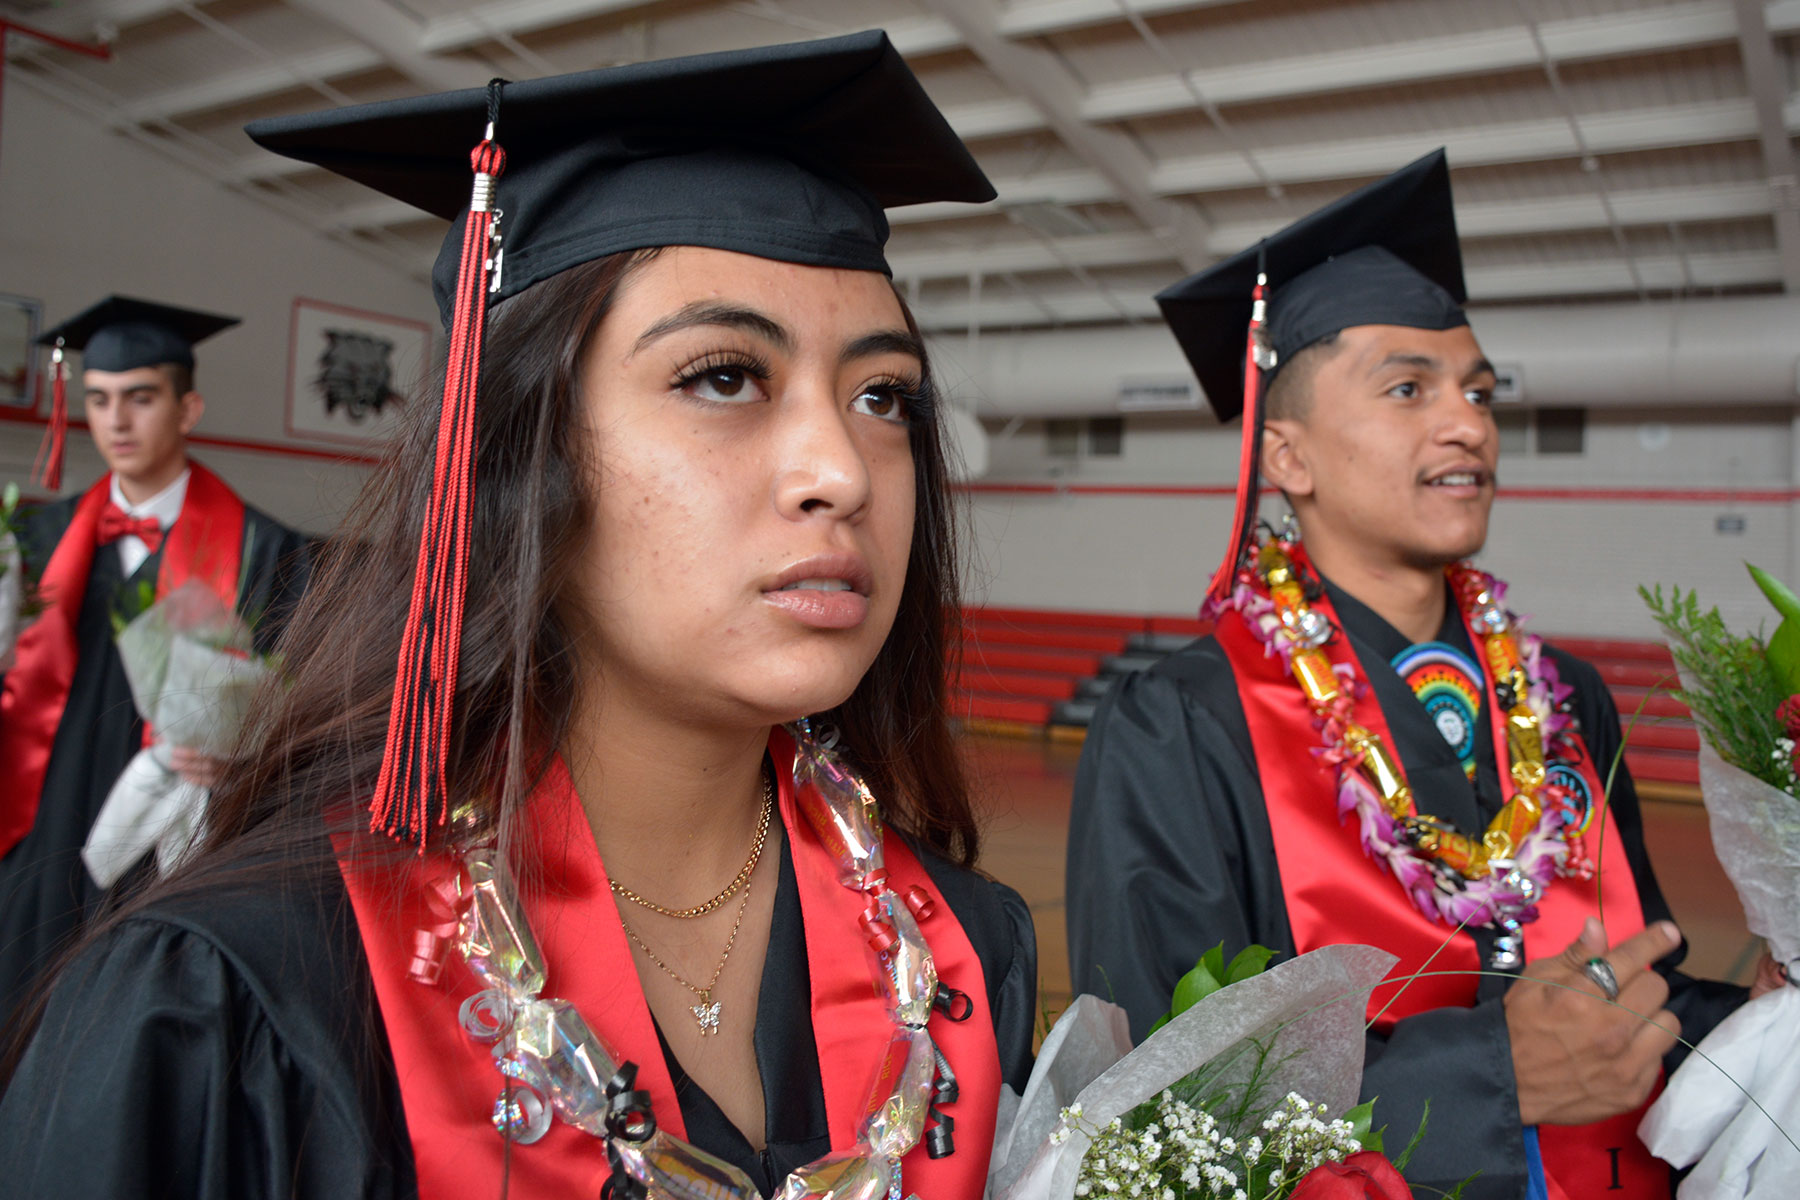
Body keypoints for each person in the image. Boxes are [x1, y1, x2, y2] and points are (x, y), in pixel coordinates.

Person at [0, 32, 1036, 1200]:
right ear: (514, 448)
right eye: (724, 376)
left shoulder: (960, 951)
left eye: (883, 395)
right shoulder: (242, 994)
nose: (840, 469)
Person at [1064, 151, 1776, 1200]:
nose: (1469, 423)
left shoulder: (1567, 695)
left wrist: (1762, 1017)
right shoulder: (1185, 722)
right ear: (1286, 457)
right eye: (1409, 388)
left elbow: (1632, 994)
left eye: (1479, 391)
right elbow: (1163, 1110)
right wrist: (1494, 1076)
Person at [0, 296, 312, 1019]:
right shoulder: (37, 540)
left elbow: (295, 702)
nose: (116, 421)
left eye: (140, 398)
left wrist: (248, 752)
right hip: (42, 814)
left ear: (188, 407)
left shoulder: (266, 550)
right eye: (100, 400)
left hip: (169, 825)